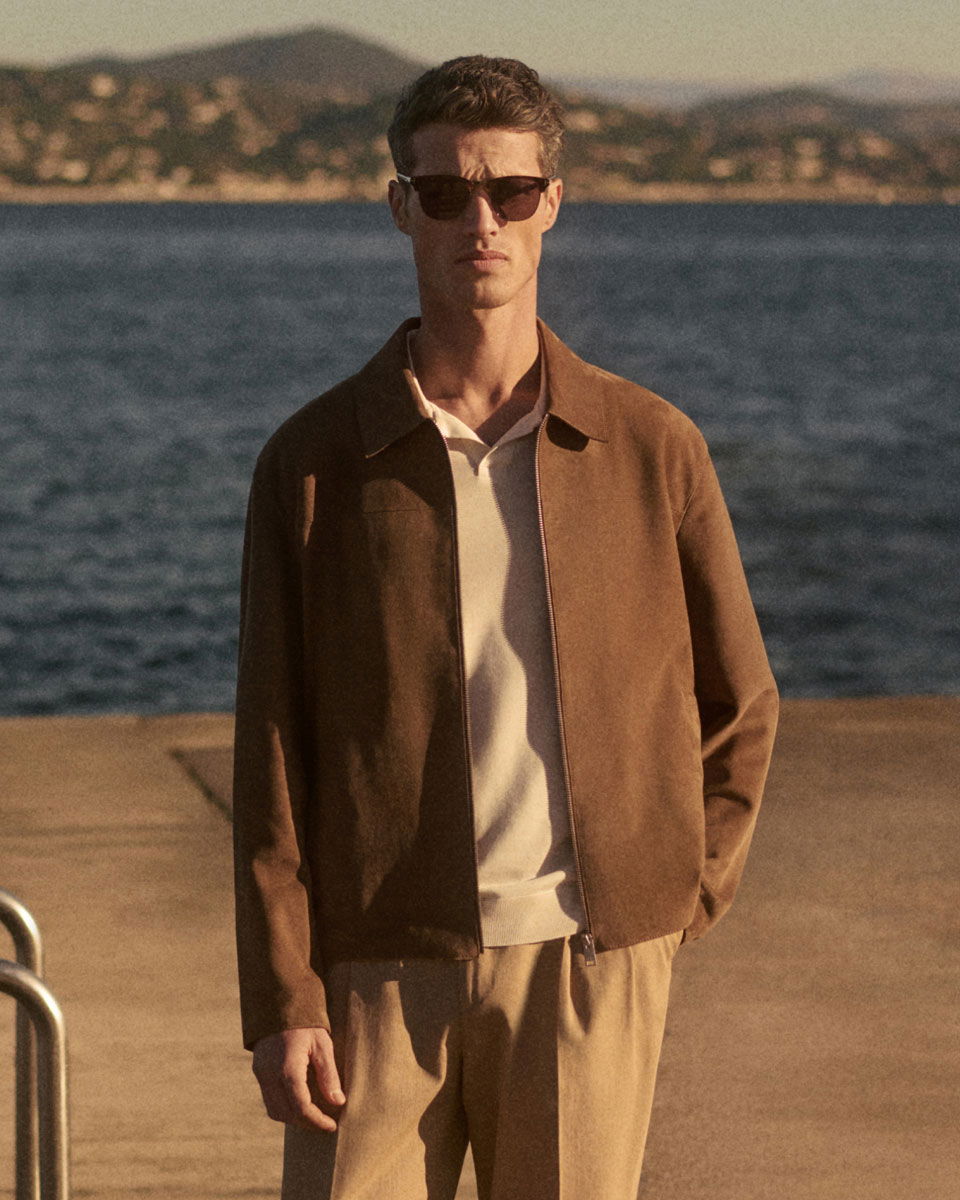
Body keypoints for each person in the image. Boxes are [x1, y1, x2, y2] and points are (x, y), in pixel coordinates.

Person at [232, 55, 779, 1200]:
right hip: (377, 970)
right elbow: (273, 750)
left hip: (587, 963)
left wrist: (679, 893)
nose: (480, 220)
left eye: (511, 192)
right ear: (401, 208)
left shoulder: (648, 444)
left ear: (552, 204)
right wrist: (286, 994)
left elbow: (741, 701)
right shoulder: (317, 460)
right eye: (445, 194)